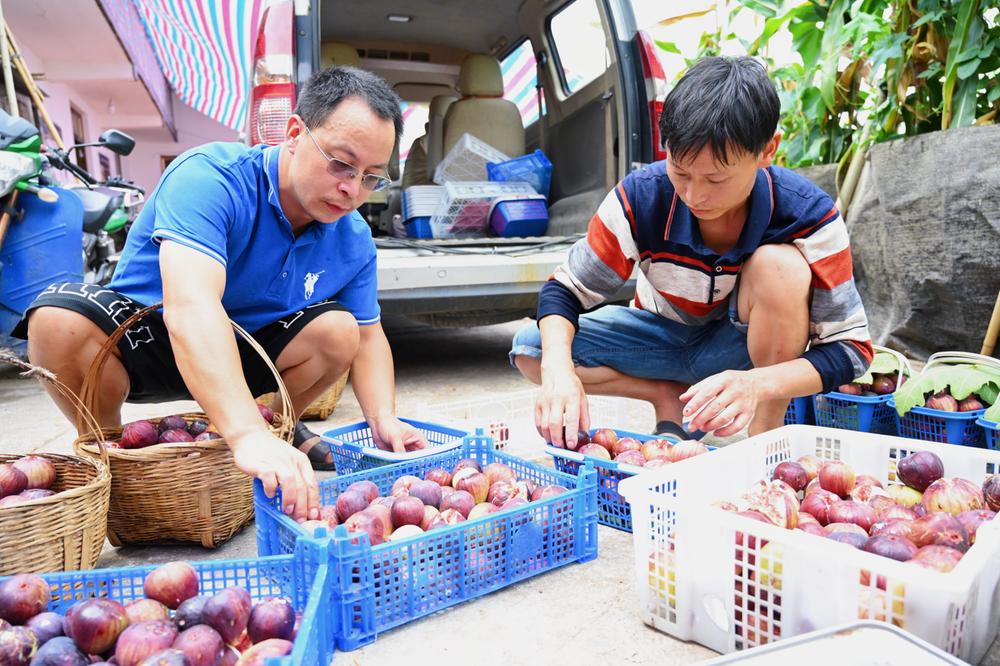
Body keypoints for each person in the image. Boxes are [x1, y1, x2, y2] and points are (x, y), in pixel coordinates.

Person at [14, 66, 428, 522]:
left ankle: (277, 431)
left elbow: (368, 338)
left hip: (245, 347)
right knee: (57, 318)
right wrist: (243, 433)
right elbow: (191, 307)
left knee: (340, 330)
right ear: (294, 133)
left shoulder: (352, 237)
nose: (352, 189)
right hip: (149, 336)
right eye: (340, 164)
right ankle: (115, 459)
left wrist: (383, 417)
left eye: (371, 177)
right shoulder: (211, 177)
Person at [510, 56, 874, 448]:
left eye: (716, 178)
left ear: (767, 151)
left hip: (741, 349)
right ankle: (665, 393)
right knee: (534, 350)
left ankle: (766, 433)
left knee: (780, 268)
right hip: (658, 336)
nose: (694, 196)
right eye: (680, 172)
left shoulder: (808, 214)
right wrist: (559, 373)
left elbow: (852, 349)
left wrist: (754, 383)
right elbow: (563, 291)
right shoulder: (641, 198)